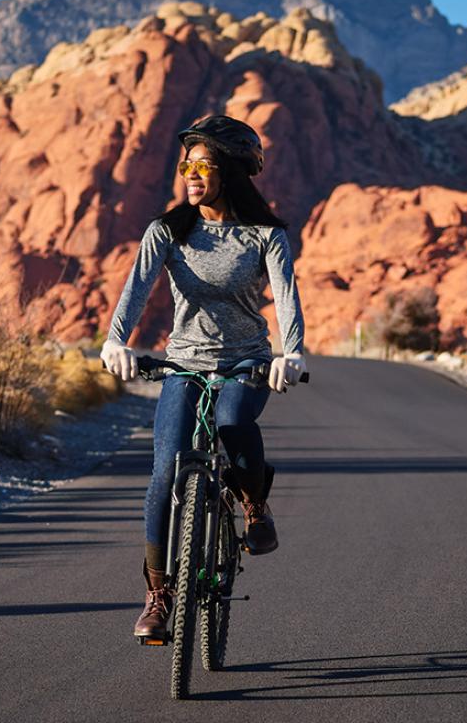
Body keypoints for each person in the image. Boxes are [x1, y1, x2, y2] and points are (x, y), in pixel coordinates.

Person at [100, 114, 307, 644]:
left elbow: (286, 299)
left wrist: (293, 354)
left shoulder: (265, 235)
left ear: (231, 172)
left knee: (234, 421)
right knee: (165, 471)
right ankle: (158, 595)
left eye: (203, 165)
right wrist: (115, 342)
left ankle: (254, 502)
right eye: (185, 165)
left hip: (246, 362)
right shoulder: (167, 231)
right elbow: (136, 290)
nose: (190, 174)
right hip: (183, 362)